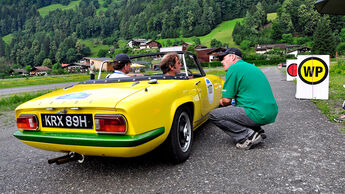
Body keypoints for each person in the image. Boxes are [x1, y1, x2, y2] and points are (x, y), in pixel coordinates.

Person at [209, 48, 278, 150]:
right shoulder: (250, 67)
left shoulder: (234, 68)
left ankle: (248, 136)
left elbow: (226, 100)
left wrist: (221, 102)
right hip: (270, 111)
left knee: (214, 115)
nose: (221, 62)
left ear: (232, 57)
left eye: (223, 58)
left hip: (257, 113)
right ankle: (257, 130)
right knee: (237, 105)